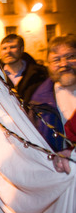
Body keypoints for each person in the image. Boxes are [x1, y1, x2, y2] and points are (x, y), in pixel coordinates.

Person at [28, 34, 76, 174]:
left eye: (70, 56)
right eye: (56, 60)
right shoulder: (38, 105)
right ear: (48, 65)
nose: (63, 64)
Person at [0, 34, 48, 104]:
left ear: (22, 49)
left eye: (12, 47)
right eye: (4, 48)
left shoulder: (39, 75)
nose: (8, 51)